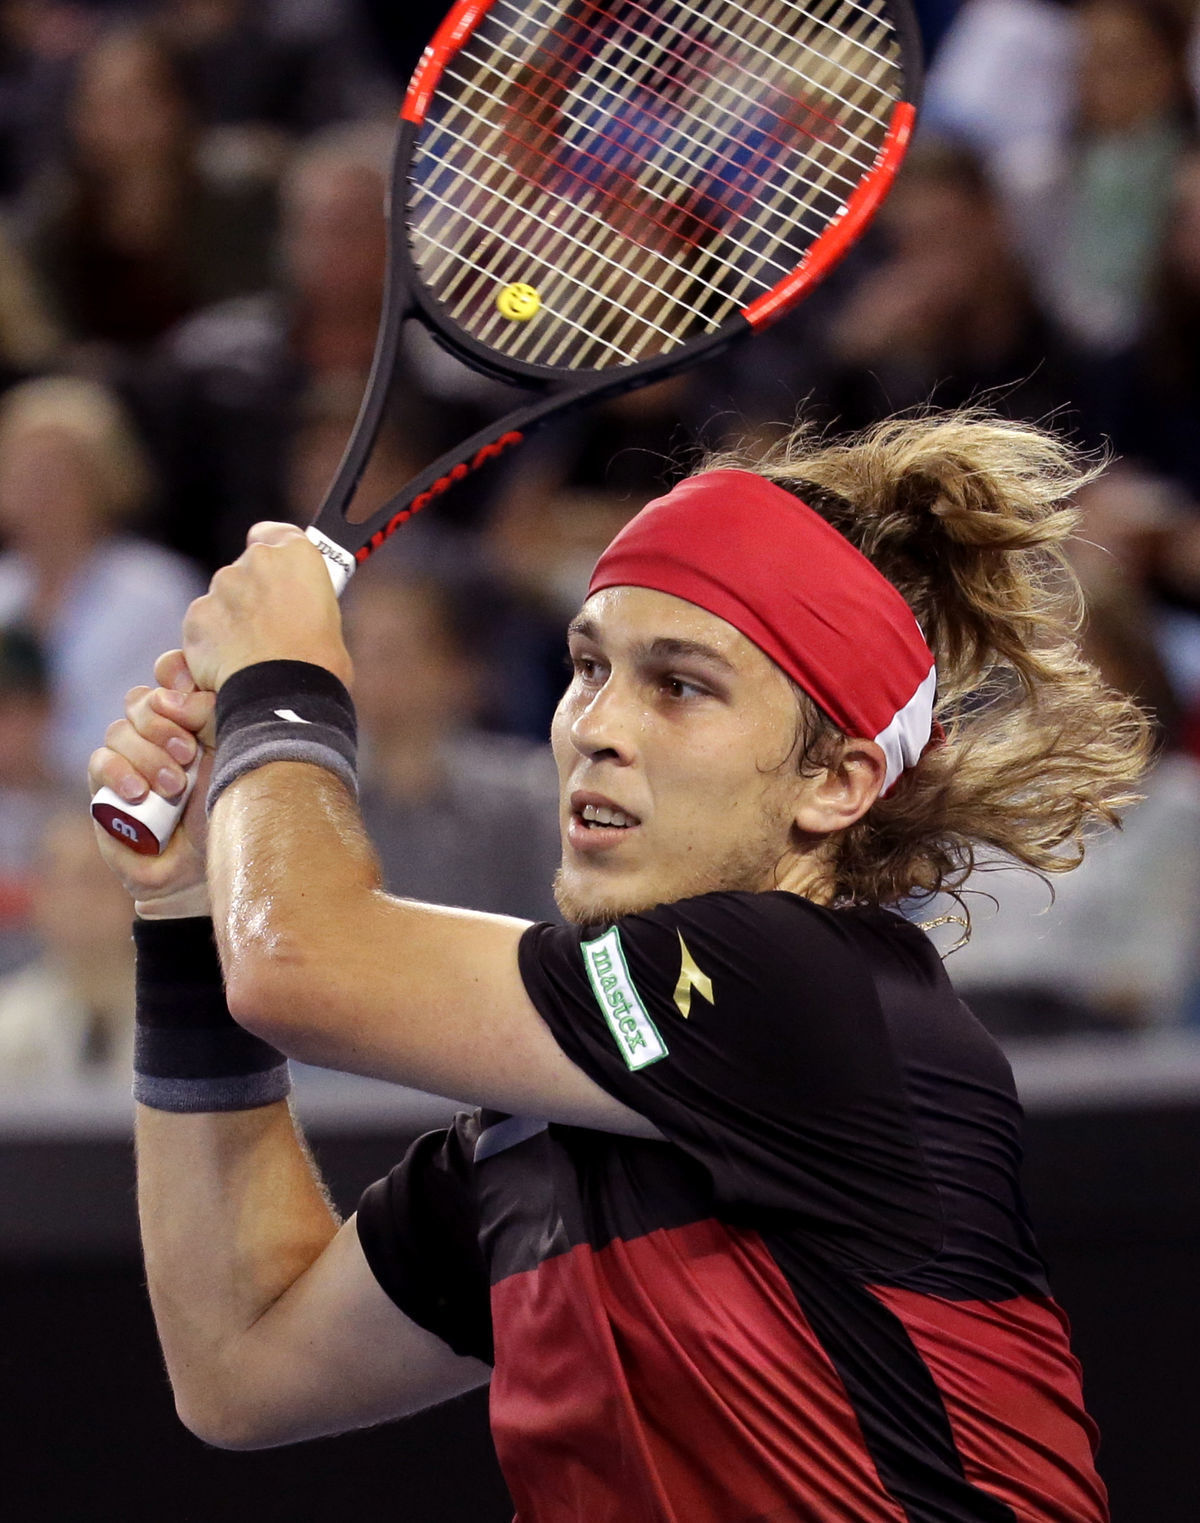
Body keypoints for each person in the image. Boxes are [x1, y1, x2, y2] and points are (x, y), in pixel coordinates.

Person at [89, 412, 1147, 1520]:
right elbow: (241, 1362)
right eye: (588, 665)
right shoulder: (541, 1133)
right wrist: (183, 907)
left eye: (679, 685)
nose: (599, 725)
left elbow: (300, 962)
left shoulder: (802, 993)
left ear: (833, 781)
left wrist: (284, 678)